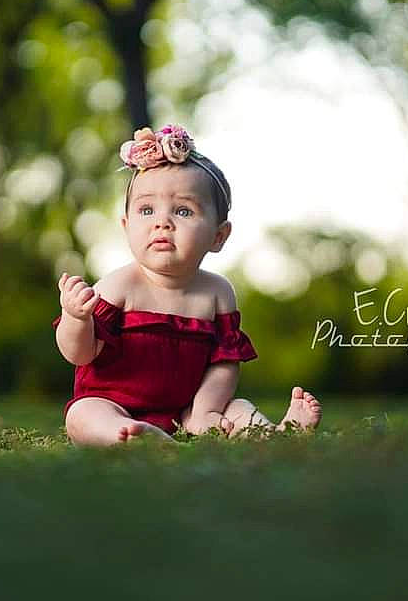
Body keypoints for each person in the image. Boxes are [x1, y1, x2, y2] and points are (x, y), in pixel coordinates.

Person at [52, 124, 322, 446]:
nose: (162, 222)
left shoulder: (217, 293)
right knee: (81, 415)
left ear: (218, 236)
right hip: (113, 403)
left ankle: (278, 434)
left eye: (183, 210)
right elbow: (79, 355)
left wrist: (205, 411)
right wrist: (76, 318)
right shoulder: (119, 286)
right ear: (126, 227)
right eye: (147, 209)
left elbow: (224, 364)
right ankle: (129, 436)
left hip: (187, 409)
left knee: (236, 408)